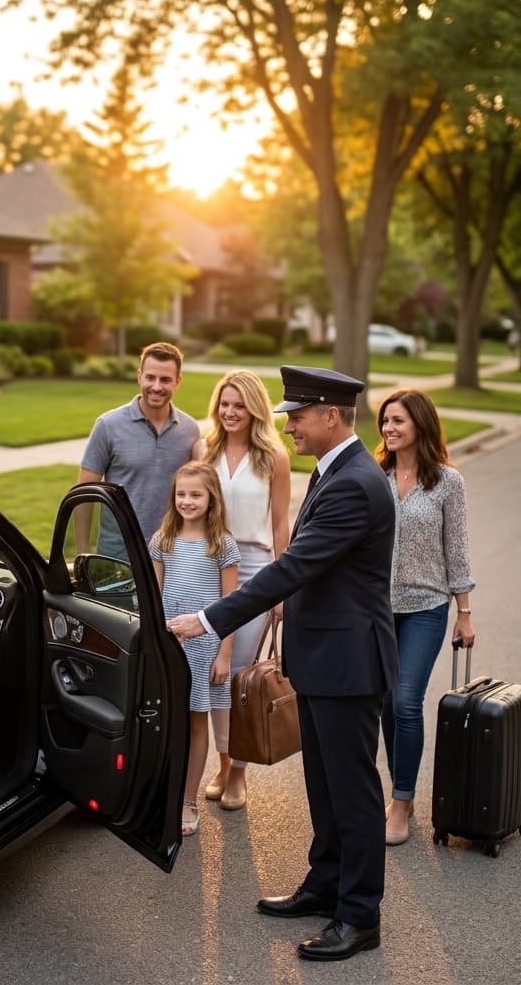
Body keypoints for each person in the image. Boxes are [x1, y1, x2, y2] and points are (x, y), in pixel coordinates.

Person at [168, 366, 397, 963]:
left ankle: (359, 914)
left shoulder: (353, 483)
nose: (289, 423)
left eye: (300, 414)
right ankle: (325, 883)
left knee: (352, 791)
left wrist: (213, 618)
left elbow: (293, 567)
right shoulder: (336, 470)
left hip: (349, 662)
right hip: (325, 655)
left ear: (332, 416)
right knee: (323, 784)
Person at [375, 389, 476, 846]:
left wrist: (464, 613)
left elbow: (457, 551)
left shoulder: (446, 482)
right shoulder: (375, 476)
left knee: (405, 701)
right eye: (385, 421)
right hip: (376, 607)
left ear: (420, 423)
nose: (389, 429)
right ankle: (403, 788)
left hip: (426, 607)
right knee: (382, 705)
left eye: (397, 420)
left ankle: (399, 801)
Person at [196, 370, 291, 811]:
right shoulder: (204, 448)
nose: (230, 413)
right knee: (211, 675)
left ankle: (238, 773)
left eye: (239, 405)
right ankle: (223, 759)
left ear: (254, 408)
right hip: (208, 567)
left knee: (237, 674)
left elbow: (278, 524)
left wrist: (282, 589)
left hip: (254, 572)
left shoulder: (274, 455)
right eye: (225, 404)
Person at [148, 460, 240, 837]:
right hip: (169, 647)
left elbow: (231, 606)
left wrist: (224, 655)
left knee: (196, 721)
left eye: (195, 495)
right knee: (166, 720)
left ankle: (188, 799)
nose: (187, 501)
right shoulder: (162, 541)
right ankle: (163, 792)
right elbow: (154, 599)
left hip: (204, 650)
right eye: (181, 494)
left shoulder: (222, 545)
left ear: (211, 498)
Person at [76, 342, 200, 556]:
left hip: (171, 554)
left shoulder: (189, 430)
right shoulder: (108, 425)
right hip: (117, 556)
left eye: (166, 380)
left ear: (178, 382)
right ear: (139, 376)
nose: (157, 386)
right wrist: (82, 552)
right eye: (150, 377)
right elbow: (83, 495)